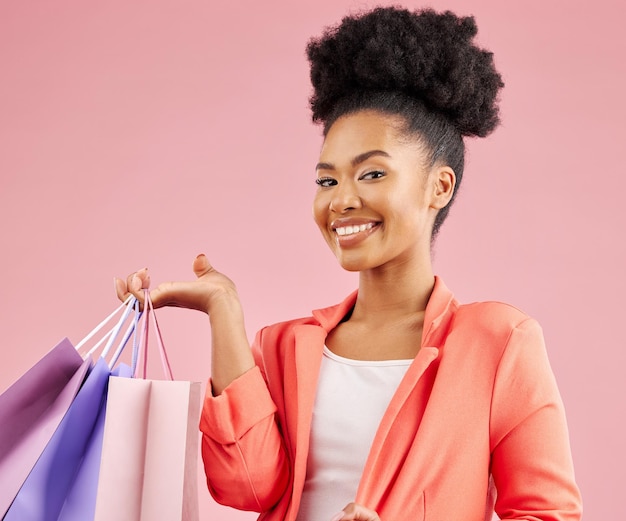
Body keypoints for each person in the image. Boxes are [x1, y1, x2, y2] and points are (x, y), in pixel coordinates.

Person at [115, 6, 582, 521]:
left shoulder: (498, 341)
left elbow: (549, 514)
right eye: (327, 180)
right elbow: (245, 488)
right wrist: (223, 311)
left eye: (373, 174)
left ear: (439, 186)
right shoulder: (284, 346)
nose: (341, 201)